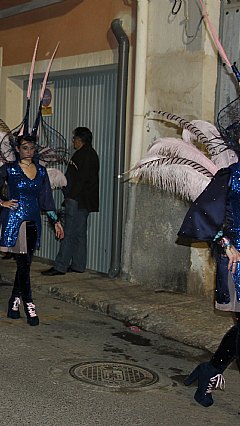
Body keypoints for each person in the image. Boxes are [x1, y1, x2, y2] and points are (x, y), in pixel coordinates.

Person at [177, 95, 240, 408]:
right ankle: (210, 372)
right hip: (237, 263)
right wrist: (226, 244)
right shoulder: (230, 177)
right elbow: (201, 214)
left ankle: (209, 370)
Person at [0, 135, 63, 325]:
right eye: (25, 148)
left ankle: (14, 300)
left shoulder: (40, 171)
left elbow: (46, 199)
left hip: (33, 221)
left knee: (26, 264)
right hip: (15, 221)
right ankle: (29, 303)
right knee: (23, 263)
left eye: (31, 148)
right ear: (17, 149)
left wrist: (55, 221)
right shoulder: (10, 169)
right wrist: (1, 202)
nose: (29, 151)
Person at [42, 126, 99, 276]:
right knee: (79, 234)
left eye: (74, 138)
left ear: (80, 140)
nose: (73, 141)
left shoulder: (81, 155)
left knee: (68, 233)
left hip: (77, 200)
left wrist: (70, 196)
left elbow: (79, 180)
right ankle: (78, 265)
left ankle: (60, 266)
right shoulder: (92, 154)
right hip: (85, 202)